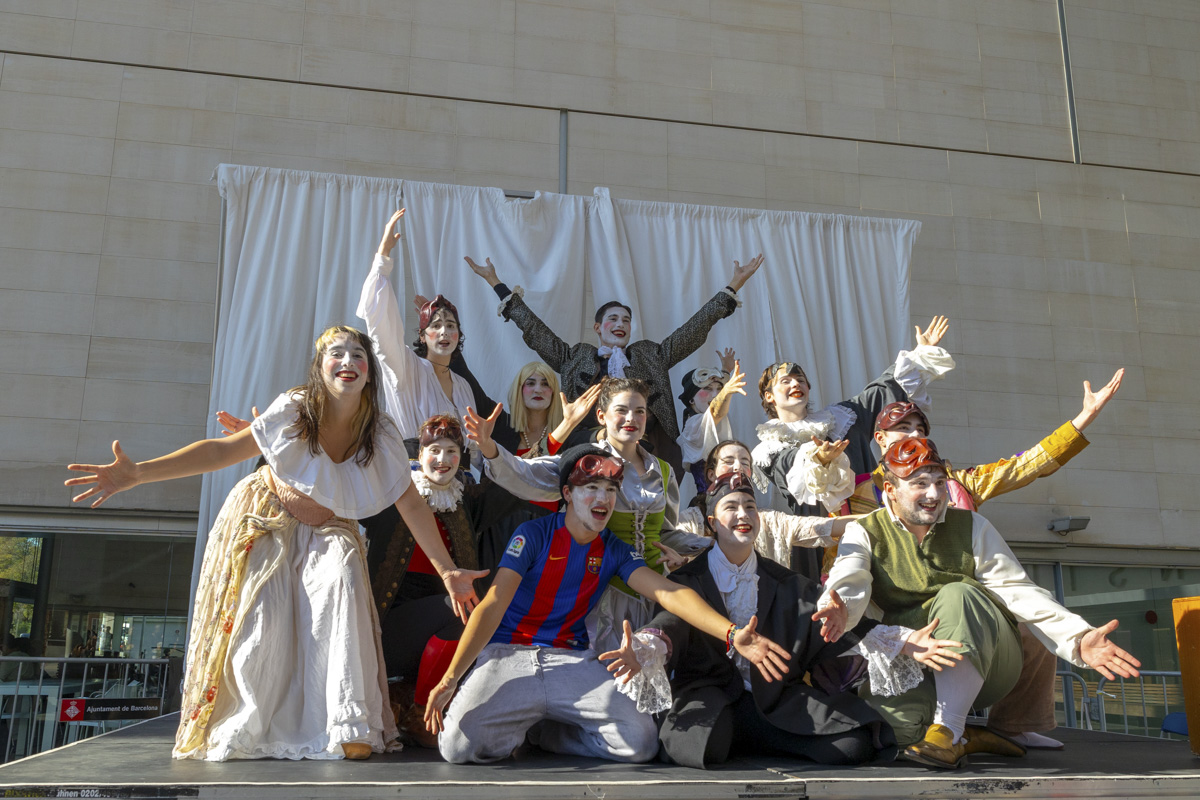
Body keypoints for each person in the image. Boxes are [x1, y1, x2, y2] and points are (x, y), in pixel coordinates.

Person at [65, 326, 485, 762]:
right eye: (337, 353)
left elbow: (411, 503)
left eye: (358, 355)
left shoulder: (379, 433)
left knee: (343, 578)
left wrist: (448, 571)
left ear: (369, 372)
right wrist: (139, 473)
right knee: (263, 618)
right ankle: (247, 725)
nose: (348, 361)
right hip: (269, 515)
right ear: (320, 367)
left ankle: (349, 723)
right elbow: (221, 452)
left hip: (328, 526)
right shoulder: (295, 408)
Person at [422, 446, 792, 764]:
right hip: (509, 654)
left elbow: (669, 593)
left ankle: (545, 734)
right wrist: (450, 680)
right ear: (567, 493)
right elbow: (492, 604)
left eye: (611, 489)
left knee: (640, 743)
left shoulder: (614, 550)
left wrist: (731, 633)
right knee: (456, 748)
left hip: (571, 660)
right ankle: (523, 723)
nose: (604, 498)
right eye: (592, 488)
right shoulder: (532, 535)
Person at [833, 368, 1125, 751]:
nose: (915, 434)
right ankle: (967, 734)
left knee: (1020, 621)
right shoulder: (854, 497)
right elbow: (846, 571)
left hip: (973, 612)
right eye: (903, 428)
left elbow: (1022, 468)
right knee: (893, 738)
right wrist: (839, 607)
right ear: (881, 439)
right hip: (905, 634)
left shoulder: (960, 489)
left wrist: (1081, 421)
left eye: (921, 428)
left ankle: (988, 727)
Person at [609, 473, 971, 768]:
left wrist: (903, 641)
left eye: (750, 507)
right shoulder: (689, 580)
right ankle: (750, 733)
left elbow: (832, 624)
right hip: (711, 697)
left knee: (854, 744)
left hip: (776, 697)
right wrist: (644, 648)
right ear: (712, 523)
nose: (743, 515)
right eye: (731, 507)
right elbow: (670, 623)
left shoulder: (785, 582)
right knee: (702, 748)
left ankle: (755, 733)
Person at [464, 252, 765, 475]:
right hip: (588, 451)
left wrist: (733, 285)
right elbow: (535, 331)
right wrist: (496, 283)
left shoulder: (650, 355)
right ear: (598, 328)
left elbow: (692, 330)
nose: (620, 324)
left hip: (644, 448)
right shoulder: (576, 358)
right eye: (613, 319)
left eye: (626, 320)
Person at [465, 377, 692, 654]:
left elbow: (666, 533)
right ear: (602, 416)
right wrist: (489, 446)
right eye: (621, 410)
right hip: (598, 594)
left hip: (654, 594)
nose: (631, 418)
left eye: (639, 411)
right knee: (603, 669)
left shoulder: (663, 471)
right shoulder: (583, 462)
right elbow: (524, 474)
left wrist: (687, 554)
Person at [752, 316, 954, 579]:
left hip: (871, 515)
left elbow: (880, 390)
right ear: (769, 396)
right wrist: (818, 459)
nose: (795, 384)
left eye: (800, 379)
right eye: (786, 381)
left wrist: (919, 354)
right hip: (821, 537)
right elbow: (788, 470)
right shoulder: (768, 447)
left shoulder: (841, 418)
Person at [358, 209, 478, 448]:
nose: (444, 332)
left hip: (460, 472)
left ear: (459, 335)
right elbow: (383, 330)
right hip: (414, 469)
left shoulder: (463, 386)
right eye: (436, 326)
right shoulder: (407, 369)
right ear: (422, 336)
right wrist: (383, 257)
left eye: (450, 326)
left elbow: (473, 447)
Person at [676, 349, 742, 493]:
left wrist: (726, 370)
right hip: (709, 500)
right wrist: (726, 391)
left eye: (719, 389)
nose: (716, 394)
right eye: (707, 388)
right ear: (691, 399)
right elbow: (716, 411)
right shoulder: (693, 424)